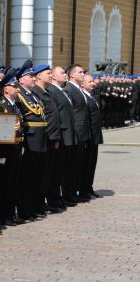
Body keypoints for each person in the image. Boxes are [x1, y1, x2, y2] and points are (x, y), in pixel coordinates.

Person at [15, 60, 47, 221]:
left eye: (34, 76)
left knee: (35, 177)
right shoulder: (19, 94)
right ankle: (23, 209)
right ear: (21, 79)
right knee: (25, 178)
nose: (33, 79)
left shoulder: (32, 94)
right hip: (29, 139)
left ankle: (32, 207)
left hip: (39, 139)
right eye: (30, 76)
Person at [0, 68, 25, 225]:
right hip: (5, 151)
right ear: (6, 88)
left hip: (16, 148)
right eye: (14, 86)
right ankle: (3, 215)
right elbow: (1, 130)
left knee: (14, 182)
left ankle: (11, 213)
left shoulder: (16, 105)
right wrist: (0, 154)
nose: (17, 89)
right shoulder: (2, 104)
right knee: (4, 184)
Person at [31, 65, 61, 215]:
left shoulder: (47, 92)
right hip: (43, 139)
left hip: (51, 139)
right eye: (48, 73)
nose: (51, 76)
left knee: (46, 174)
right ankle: (37, 204)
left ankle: (41, 203)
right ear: (38, 76)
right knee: (39, 175)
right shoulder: (35, 93)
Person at [47, 66, 76, 209]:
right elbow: (55, 115)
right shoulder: (52, 91)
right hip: (61, 135)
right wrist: (56, 137)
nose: (65, 75)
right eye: (62, 73)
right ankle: (53, 199)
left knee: (63, 169)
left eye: (65, 72)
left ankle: (59, 197)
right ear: (53, 76)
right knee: (56, 170)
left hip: (67, 134)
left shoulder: (62, 91)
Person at [63, 64, 91, 203]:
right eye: (80, 72)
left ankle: (74, 192)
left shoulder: (78, 89)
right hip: (75, 133)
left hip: (82, 133)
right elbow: (70, 113)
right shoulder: (68, 89)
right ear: (72, 75)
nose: (83, 74)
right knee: (71, 166)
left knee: (78, 165)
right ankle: (69, 194)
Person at [81, 74, 103, 199]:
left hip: (95, 135)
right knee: (86, 164)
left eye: (93, 81)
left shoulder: (92, 96)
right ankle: (84, 189)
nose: (92, 83)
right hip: (89, 136)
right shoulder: (83, 97)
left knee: (92, 164)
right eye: (90, 81)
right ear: (83, 84)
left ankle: (89, 188)